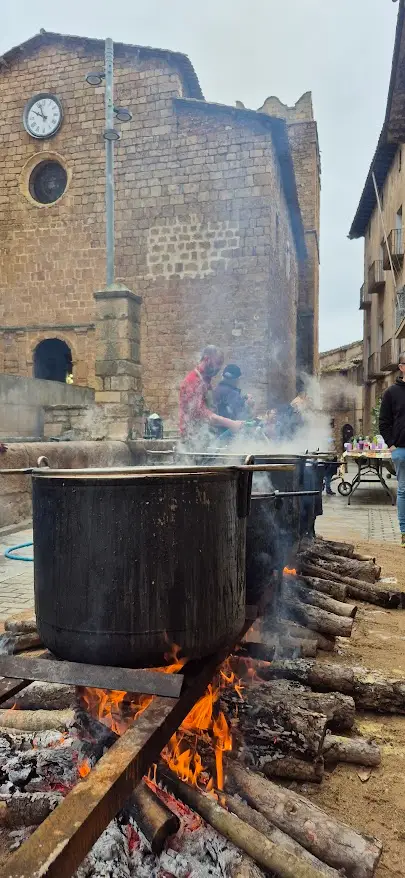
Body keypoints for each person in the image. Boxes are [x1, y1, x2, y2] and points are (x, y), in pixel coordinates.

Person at [179, 346, 244, 441]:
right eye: (217, 363)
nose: (219, 368)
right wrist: (231, 423)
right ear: (206, 359)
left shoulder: (206, 381)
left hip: (206, 437)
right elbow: (201, 414)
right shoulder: (193, 381)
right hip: (192, 440)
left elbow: (212, 411)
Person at [379, 354, 405, 545]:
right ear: (401, 367)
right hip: (401, 450)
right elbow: (384, 422)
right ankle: (404, 532)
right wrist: (392, 446)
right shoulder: (391, 393)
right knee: (403, 490)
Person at [213, 364, 254, 432]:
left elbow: (225, 406)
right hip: (226, 433)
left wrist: (244, 398)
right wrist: (249, 404)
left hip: (216, 430)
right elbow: (240, 414)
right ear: (236, 379)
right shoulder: (232, 393)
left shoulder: (217, 389)